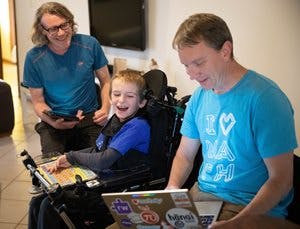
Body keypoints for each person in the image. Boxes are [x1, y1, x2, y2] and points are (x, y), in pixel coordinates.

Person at [166, 13, 298, 228]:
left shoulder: (265, 98)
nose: (191, 74)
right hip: (203, 196)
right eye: (186, 65)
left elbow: (281, 180)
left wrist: (238, 223)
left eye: (198, 63)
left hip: (248, 205)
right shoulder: (200, 96)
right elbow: (185, 155)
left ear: (225, 51)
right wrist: (172, 189)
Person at [28, 69, 151, 229]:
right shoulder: (116, 119)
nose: (121, 101)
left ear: (142, 102)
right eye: (116, 94)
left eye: (130, 96)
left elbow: (104, 160)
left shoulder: (137, 126)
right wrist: (65, 158)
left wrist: (72, 157)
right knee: (37, 201)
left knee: (50, 206)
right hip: (103, 180)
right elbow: (97, 149)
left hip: (116, 187)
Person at [22, 2, 111, 157]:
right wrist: (52, 122)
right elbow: (38, 102)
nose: (61, 33)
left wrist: (105, 109)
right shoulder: (34, 58)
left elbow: (106, 82)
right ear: (42, 30)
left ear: (71, 21)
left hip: (89, 118)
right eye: (53, 29)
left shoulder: (90, 44)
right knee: (54, 165)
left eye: (64, 25)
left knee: (98, 164)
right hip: (55, 121)